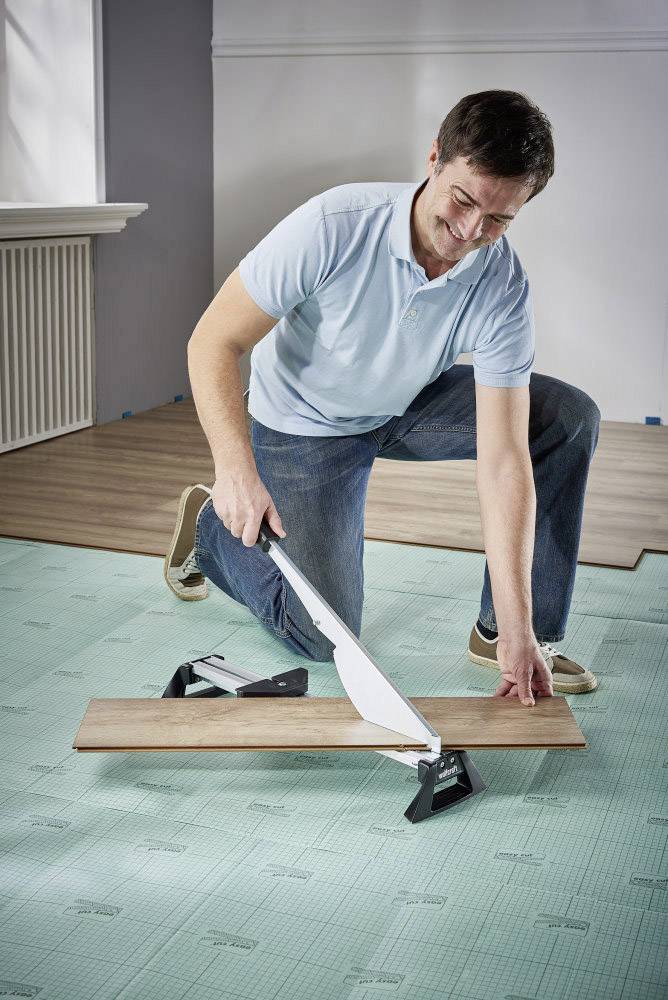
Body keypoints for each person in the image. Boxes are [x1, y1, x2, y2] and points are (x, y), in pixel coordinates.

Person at [165, 89, 600, 709]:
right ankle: (213, 531)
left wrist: (519, 625)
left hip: (405, 405)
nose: (472, 232)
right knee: (320, 637)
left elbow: (504, 458)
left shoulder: (500, 280)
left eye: (500, 218)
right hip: (304, 423)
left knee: (567, 418)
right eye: (464, 200)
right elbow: (213, 339)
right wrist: (235, 472)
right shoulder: (335, 225)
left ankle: (507, 635)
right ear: (434, 158)